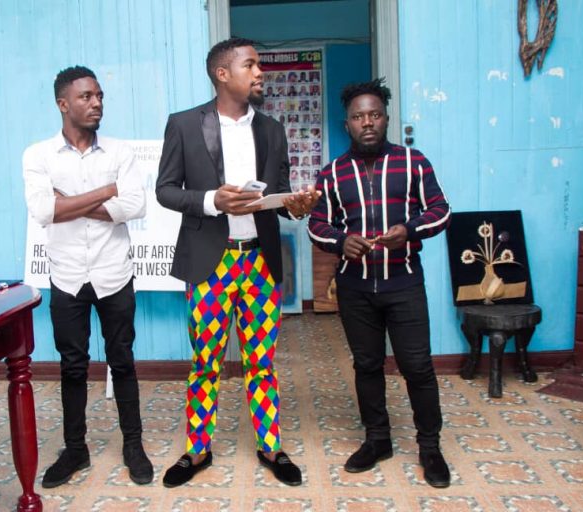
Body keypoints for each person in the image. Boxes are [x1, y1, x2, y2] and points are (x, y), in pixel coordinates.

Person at [155, 37, 319, 488]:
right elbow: (165, 190)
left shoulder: (272, 130)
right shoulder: (184, 125)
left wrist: (296, 206)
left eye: (259, 65)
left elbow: (279, 196)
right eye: (250, 65)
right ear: (222, 74)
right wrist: (213, 200)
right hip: (211, 263)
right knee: (206, 362)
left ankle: (271, 446)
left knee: (261, 362)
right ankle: (197, 450)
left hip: (260, 265)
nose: (259, 72)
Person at [307, 77, 452, 488]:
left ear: (386, 118)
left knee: (417, 367)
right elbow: (317, 225)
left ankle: (430, 448)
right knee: (367, 365)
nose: (367, 122)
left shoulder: (414, 162)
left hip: (403, 283)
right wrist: (341, 241)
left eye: (374, 114)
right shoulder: (332, 174)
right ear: (347, 124)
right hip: (355, 289)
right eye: (358, 117)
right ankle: (378, 440)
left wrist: (410, 230)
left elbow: (441, 211)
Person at [22, 66, 153, 488]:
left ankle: (133, 445)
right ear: (63, 104)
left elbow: (135, 206)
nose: (97, 103)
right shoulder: (38, 155)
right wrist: (106, 191)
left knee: (123, 361)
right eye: (86, 97)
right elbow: (44, 211)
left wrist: (71, 202)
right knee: (72, 366)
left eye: (99, 96)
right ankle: (75, 450)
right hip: (67, 276)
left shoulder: (120, 152)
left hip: (115, 271)